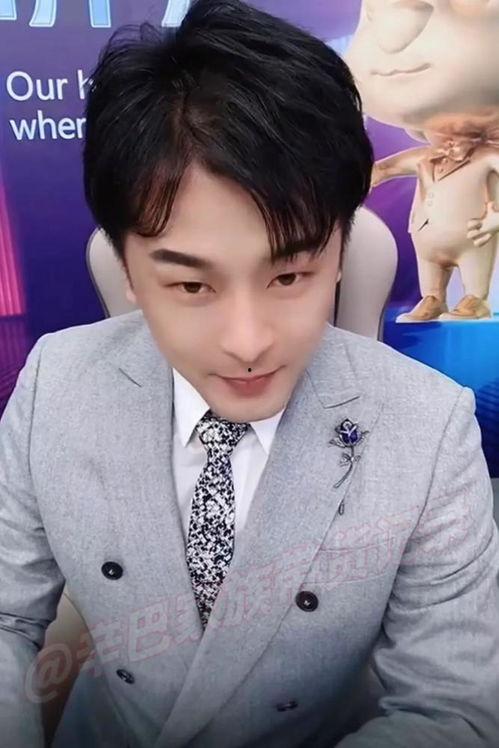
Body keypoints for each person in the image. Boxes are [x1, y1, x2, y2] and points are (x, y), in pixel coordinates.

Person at [0, 1, 498, 746]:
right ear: (127, 269)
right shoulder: (57, 383)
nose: (247, 342)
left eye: (290, 275)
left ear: (340, 248)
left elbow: (452, 708)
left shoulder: (427, 427)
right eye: (190, 284)